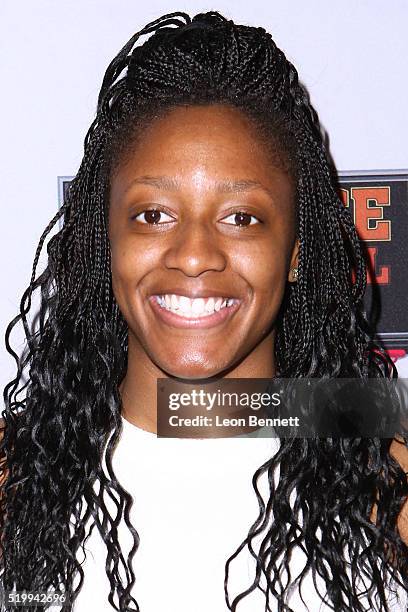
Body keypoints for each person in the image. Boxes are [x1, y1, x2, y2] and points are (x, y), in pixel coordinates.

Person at [1, 10, 407, 612]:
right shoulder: (16, 479)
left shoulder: (381, 464)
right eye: (153, 215)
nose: (194, 256)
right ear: (102, 238)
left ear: (295, 252)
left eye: (241, 218)